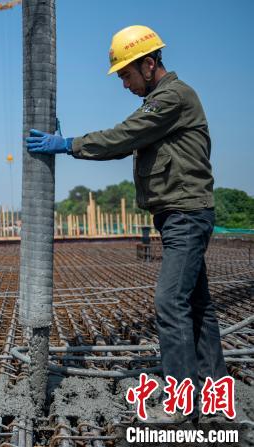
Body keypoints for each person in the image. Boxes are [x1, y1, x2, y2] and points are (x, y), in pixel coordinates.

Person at [25, 25, 226, 422]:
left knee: (171, 303)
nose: (123, 83)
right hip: (180, 214)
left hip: (185, 215)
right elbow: (127, 140)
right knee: (197, 305)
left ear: (149, 64)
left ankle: (182, 405)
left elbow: (124, 136)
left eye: (126, 75)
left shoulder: (172, 97)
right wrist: (75, 146)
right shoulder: (161, 99)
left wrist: (68, 145)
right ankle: (212, 391)